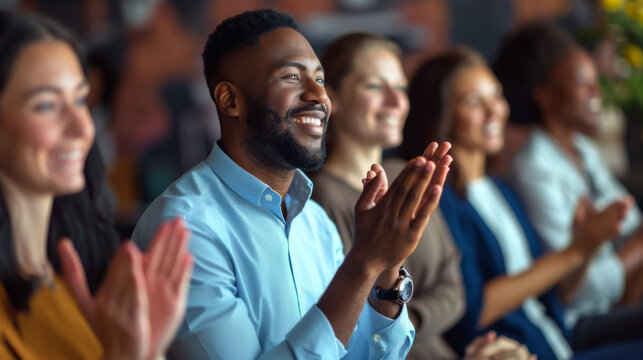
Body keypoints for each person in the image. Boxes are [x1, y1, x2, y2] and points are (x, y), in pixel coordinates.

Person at [131, 9, 451, 360]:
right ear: (229, 100)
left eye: (320, 78)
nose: (318, 95)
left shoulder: (315, 222)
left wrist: (386, 272)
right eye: (291, 77)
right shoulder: (185, 228)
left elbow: (364, 354)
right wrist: (363, 263)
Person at [398, 46, 643, 360]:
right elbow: (472, 311)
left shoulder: (500, 188)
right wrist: (574, 252)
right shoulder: (441, 203)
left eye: (496, 96)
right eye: (475, 102)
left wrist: (588, 244)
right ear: (441, 114)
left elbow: (556, 293)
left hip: (560, 337)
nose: (494, 111)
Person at [0, 11, 192, 360]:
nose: (81, 127)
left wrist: (149, 351)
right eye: (46, 105)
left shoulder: (77, 282)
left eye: (79, 100)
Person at [309, 32, 464, 360]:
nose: (396, 102)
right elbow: (353, 323)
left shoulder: (406, 174)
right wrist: (396, 329)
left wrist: (407, 321)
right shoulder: (322, 197)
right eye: (375, 86)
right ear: (331, 97)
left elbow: (454, 287)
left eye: (401, 87)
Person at [496, 22, 643, 349]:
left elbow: (630, 223)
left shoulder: (584, 150)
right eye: (584, 84)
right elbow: (574, 288)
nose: (598, 93)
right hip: (581, 319)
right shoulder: (533, 168)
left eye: (596, 82)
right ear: (545, 96)